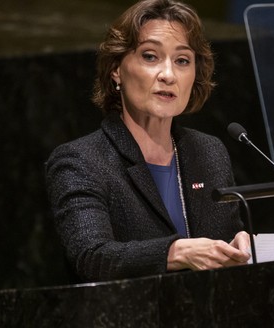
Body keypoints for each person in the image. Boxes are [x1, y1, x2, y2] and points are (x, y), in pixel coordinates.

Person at [46, 0, 251, 283]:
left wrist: (238, 245)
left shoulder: (209, 151)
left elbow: (221, 245)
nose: (168, 75)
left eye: (182, 61)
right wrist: (174, 253)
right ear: (116, 70)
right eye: (150, 56)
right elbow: (91, 257)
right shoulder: (80, 160)